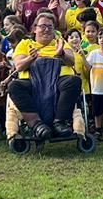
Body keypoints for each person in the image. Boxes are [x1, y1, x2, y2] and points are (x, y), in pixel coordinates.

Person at [8, 13, 82, 142]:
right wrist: (30, 58)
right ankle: (36, 125)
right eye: (42, 26)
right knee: (14, 86)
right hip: (32, 82)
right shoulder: (25, 44)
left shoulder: (60, 43)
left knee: (74, 81)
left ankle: (59, 122)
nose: (46, 29)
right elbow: (19, 66)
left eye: (50, 26)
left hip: (58, 81)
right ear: (35, 28)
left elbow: (71, 61)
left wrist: (61, 53)